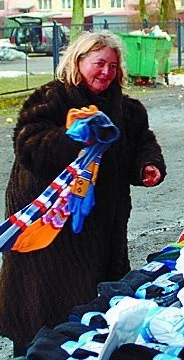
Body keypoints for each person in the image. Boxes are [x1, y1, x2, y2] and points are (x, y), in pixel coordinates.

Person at [0, 31, 167, 356]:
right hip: (51, 232)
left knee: (94, 316)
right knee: (43, 317)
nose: (106, 72)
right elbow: (28, 146)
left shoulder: (129, 110)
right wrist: (73, 137)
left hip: (103, 230)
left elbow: (141, 142)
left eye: (113, 66)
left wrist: (148, 165)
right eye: (98, 63)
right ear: (78, 61)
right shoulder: (50, 99)